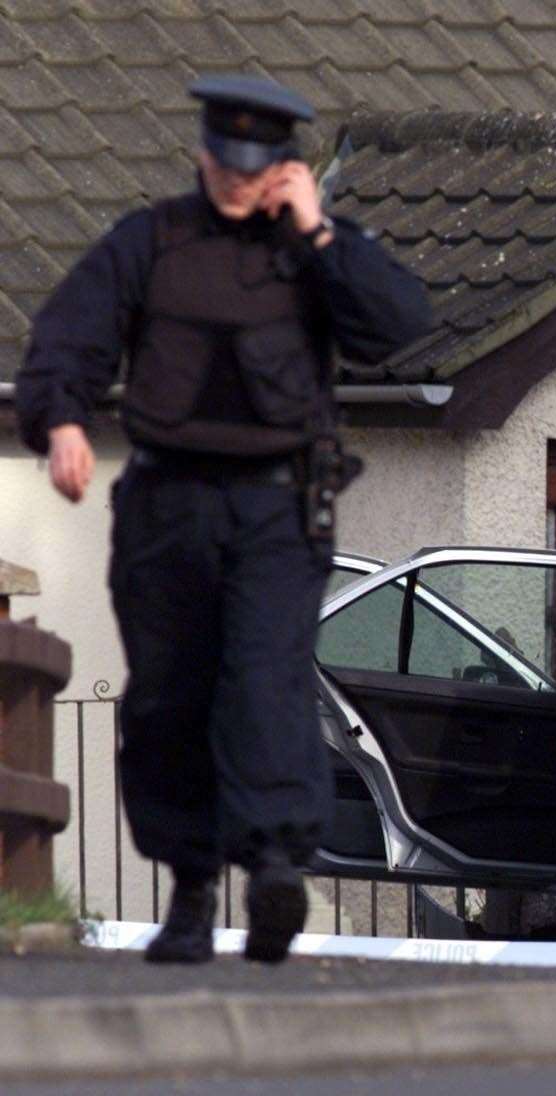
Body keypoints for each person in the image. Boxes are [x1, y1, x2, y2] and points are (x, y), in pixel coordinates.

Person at [14, 76, 431, 963]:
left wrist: (317, 231)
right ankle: (192, 890)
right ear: (204, 155)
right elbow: (70, 334)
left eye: (260, 165)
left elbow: (400, 324)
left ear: (285, 167)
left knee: (263, 676)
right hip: (168, 505)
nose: (239, 179)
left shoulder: (315, 250)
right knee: (170, 697)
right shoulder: (151, 241)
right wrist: (61, 423)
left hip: (280, 504)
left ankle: (277, 864)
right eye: (227, 161)